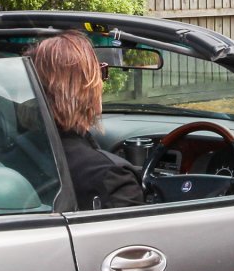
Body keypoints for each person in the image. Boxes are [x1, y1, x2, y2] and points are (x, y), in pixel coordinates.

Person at [31, 31, 147, 210]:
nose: (102, 82)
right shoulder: (112, 176)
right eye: (101, 73)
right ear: (86, 87)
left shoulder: (19, 153)